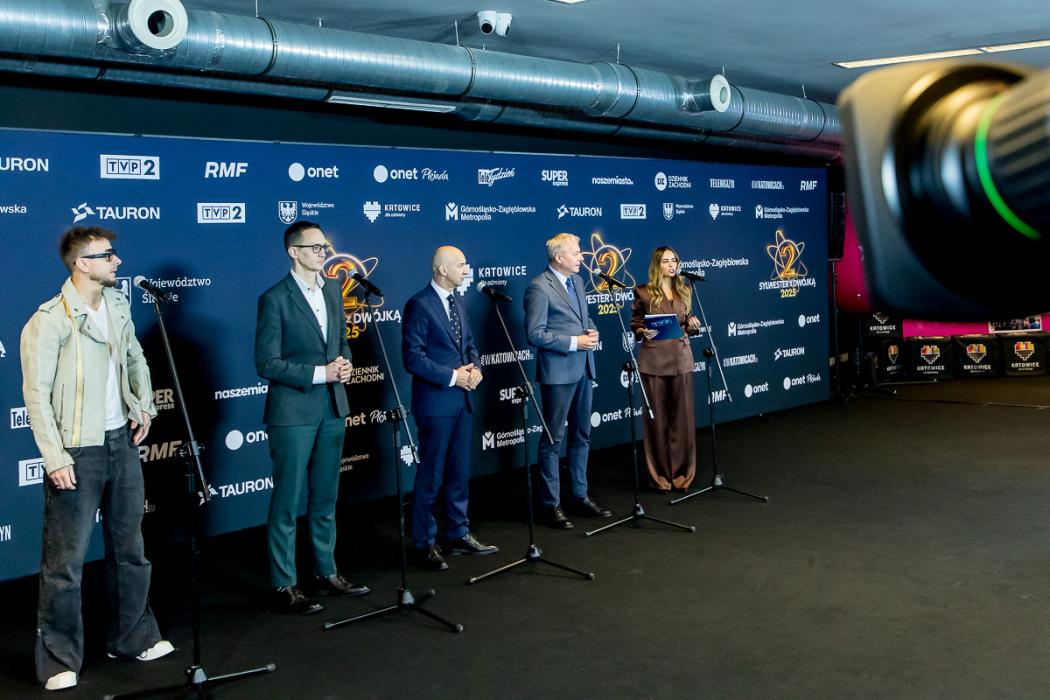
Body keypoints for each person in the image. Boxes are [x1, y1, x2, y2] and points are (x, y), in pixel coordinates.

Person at [21, 226, 173, 691]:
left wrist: (143, 405)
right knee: (65, 564)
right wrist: (55, 456)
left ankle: (132, 637)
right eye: (107, 255)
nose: (117, 261)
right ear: (81, 263)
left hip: (121, 442)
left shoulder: (118, 305)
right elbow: (36, 396)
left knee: (131, 550)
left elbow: (135, 358)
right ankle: (58, 659)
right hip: (76, 449)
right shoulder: (48, 320)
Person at [255, 220, 368, 615]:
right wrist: (321, 373)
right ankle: (284, 583)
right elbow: (266, 363)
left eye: (325, 247)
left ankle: (326, 571)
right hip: (293, 412)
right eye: (316, 247)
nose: (324, 253)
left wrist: (345, 363)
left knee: (325, 496)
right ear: (294, 252)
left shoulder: (334, 289)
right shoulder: (274, 298)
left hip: (333, 407)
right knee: (287, 500)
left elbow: (340, 342)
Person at [401, 246, 499, 570]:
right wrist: (454, 376)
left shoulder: (459, 301)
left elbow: (469, 345)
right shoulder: (419, 304)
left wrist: (476, 368)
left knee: (459, 471)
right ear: (442, 270)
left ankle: (458, 532)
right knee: (431, 474)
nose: (466, 269)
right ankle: (424, 542)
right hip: (435, 402)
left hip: (462, 400)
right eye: (461, 265)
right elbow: (413, 358)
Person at [524, 232, 611, 529]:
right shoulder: (539, 287)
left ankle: (579, 495)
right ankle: (551, 504)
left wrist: (592, 330)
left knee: (581, 435)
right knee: (553, 439)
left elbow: (584, 319)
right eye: (576, 253)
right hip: (559, 373)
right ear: (559, 257)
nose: (581, 257)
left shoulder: (578, 281)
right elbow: (535, 334)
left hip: (584, 368)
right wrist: (575, 342)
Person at [629, 246, 701, 492]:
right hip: (654, 362)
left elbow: (687, 322)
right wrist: (643, 331)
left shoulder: (685, 289)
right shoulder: (643, 291)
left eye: (675, 261)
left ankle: (682, 475)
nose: (672, 265)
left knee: (683, 420)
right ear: (657, 265)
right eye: (666, 261)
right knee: (656, 421)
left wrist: (692, 325)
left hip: (681, 359)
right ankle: (660, 476)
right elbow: (636, 324)